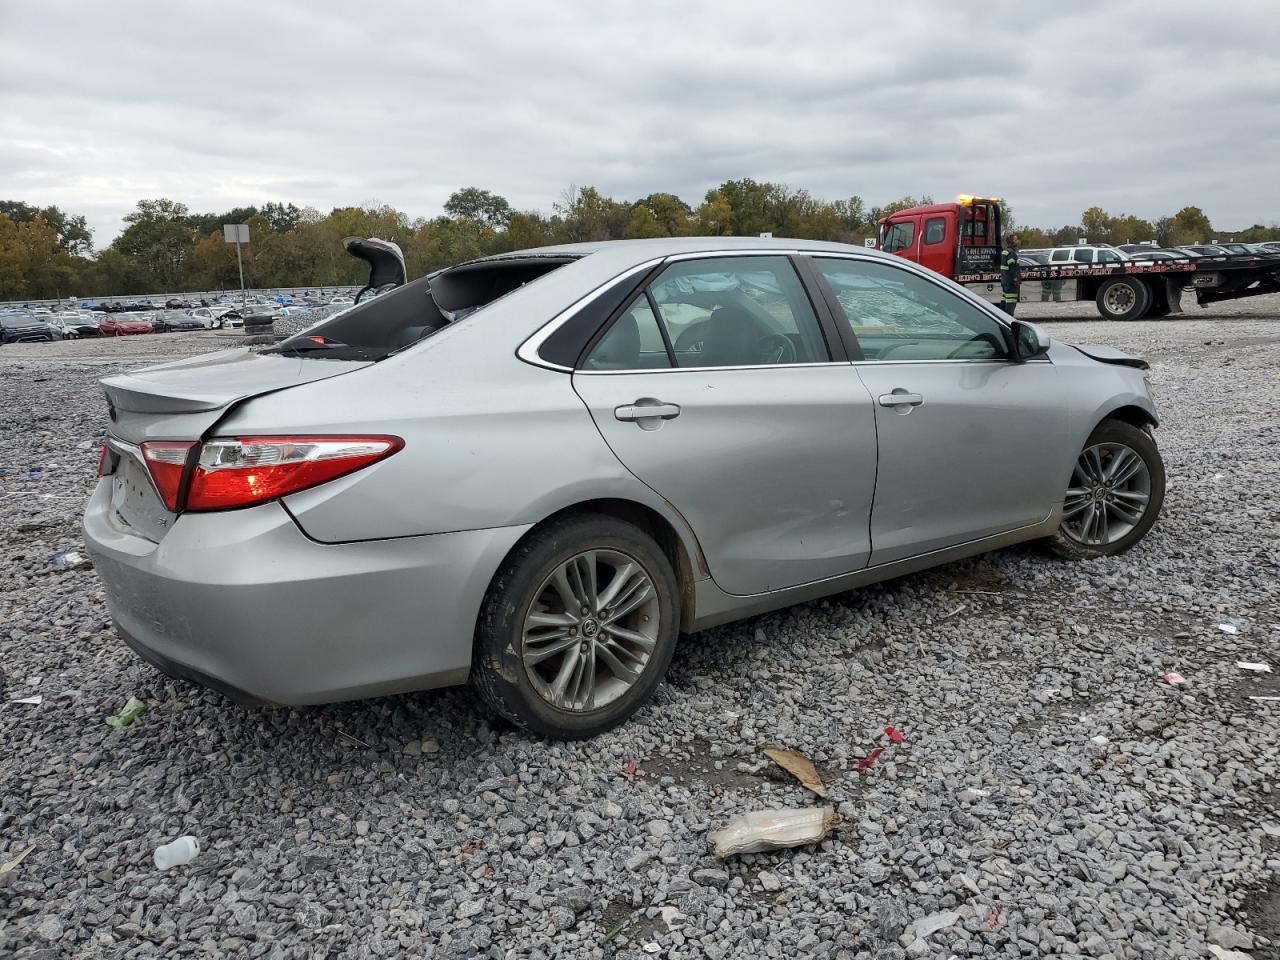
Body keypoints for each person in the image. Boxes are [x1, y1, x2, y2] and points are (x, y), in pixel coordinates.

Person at [999, 234, 1021, 316]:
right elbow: (1013, 269)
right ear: (1011, 241)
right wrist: (1016, 280)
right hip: (1011, 283)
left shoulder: (1005, 251)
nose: (1017, 241)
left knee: (1005, 300)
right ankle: (1008, 320)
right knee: (1011, 302)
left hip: (1005, 281)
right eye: (1016, 239)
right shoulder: (1011, 253)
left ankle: (1002, 317)